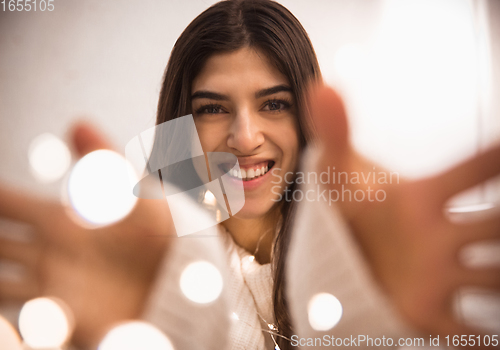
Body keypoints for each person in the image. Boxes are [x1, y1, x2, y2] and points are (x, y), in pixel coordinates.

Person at [0, 0, 499, 349]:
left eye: (274, 104)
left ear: (308, 121)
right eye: (213, 109)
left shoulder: (384, 254)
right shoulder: (129, 268)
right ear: (180, 129)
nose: (244, 137)